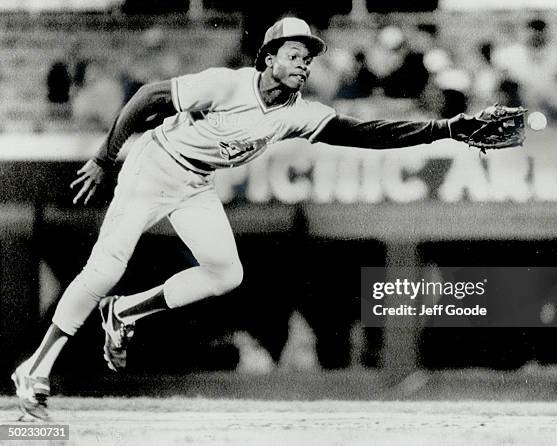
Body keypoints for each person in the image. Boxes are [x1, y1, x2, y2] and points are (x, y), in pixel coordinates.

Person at [12, 17, 484, 421]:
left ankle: (124, 311)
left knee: (226, 273)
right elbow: (148, 97)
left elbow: (366, 133)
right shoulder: (227, 84)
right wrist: (104, 157)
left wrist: (444, 129)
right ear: (268, 58)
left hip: (194, 183)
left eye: (309, 57)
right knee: (106, 267)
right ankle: (34, 367)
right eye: (295, 53)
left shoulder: (295, 114)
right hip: (152, 165)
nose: (304, 63)